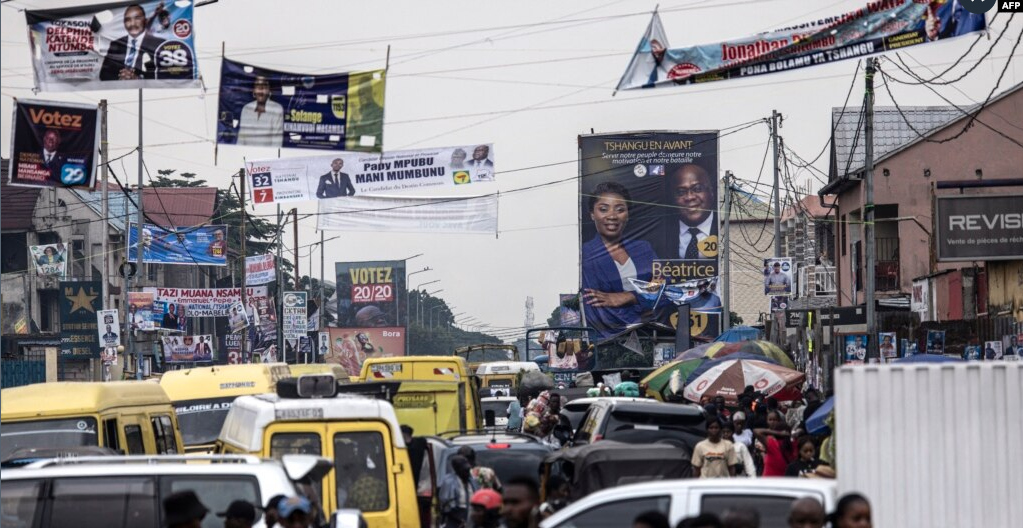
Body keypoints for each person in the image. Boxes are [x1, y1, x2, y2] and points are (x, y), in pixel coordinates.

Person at [581, 181, 658, 339]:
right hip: (607, 341)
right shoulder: (586, 255)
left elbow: (664, 288)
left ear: (627, 214)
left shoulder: (643, 249)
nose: (612, 216)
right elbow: (596, 307)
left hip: (650, 336)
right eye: (603, 209)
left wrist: (627, 297)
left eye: (620, 209)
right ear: (592, 214)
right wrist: (643, 309)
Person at [99, 3, 166, 81]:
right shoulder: (116, 44)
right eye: (128, 20)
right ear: (124, 23)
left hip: (147, 91)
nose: (132, 23)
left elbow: (164, 73)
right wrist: (120, 77)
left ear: (145, 20)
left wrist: (139, 79)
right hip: (119, 90)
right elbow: (104, 75)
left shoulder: (159, 44)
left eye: (137, 18)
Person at [667, 164, 717, 260]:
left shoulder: (723, 228)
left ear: (711, 193)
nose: (690, 197)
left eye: (697, 189)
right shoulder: (660, 236)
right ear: (673, 199)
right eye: (681, 192)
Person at [235, 75, 284, 147]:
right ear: (254, 90)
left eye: (264, 85)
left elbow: (277, 144)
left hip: (267, 157)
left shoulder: (277, 109)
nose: (260, 89)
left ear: (269, 89)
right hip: (247, 156)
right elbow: (241, 140)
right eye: (257, 85)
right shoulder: (246, 108)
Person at [754, 409, 797, 477]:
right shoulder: (793, 443)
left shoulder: (772, 443)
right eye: (770, 420)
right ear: (767, 421)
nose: (773, 422)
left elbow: (756, 431)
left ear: (779, 421)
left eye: (775, 420)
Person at [438, 455, 477, 528]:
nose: (467, 473)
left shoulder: (473, 482)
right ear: (457, 470)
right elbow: (445, 507)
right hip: (455, 522)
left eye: (468, 470)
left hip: (471, 521)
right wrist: (459, 520)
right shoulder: (449, 482)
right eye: (464, 470)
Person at [346, 77, 384, 149]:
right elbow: (349, 136)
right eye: (359, 93)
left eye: (365, 92)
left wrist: (359, 120)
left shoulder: (380, 112)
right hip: (355, 154)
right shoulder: (356, 113)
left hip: (372, 154)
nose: (362, 96)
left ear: (371, 92)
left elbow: (378, 139)